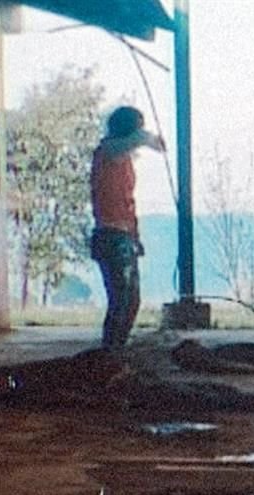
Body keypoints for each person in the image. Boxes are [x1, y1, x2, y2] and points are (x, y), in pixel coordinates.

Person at [89, 106, 165, 350]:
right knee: (122, 301)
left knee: (130, 301)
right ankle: (110, 353)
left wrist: (135, 235)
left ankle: (115, 350)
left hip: (123, 235)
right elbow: (133, 142)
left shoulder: (121, 157)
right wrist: (150, 140)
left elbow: (127, 201)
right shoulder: (107, 151)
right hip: (111, 235)